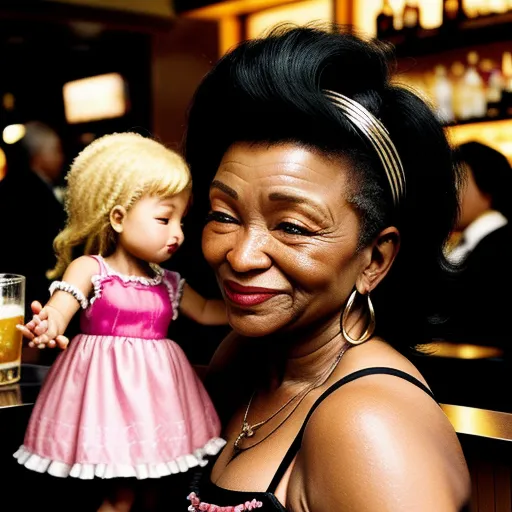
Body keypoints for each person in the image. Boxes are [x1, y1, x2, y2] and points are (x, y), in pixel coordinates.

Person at [181, 25, 471, 511]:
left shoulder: (371, 422)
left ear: (374, 259)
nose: (241, 255)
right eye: (224, 216)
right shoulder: (244, 359)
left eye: (292, 226)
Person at [13, 132, 227, 511]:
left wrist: (256, 307)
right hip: (105, 401)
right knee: (120, 494)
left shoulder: (169, 282)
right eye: (164, 218)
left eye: (181, 219)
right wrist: (49, 323)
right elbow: (63, 306)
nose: (177, 232)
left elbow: (209, 310)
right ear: (118, 217)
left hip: (156, 403)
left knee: (153, 489)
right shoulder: (91, 269)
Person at [438, 141, 512, 347]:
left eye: (457, 183)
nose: (449, 194)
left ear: (488, 186)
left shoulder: (500, 249)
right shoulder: (469, 243)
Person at [0, 121, 66, 319]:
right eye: (55, 150)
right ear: (39, 156)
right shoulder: (35, 192)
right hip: (33, 292)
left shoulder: (8, 185)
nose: (60, 157)